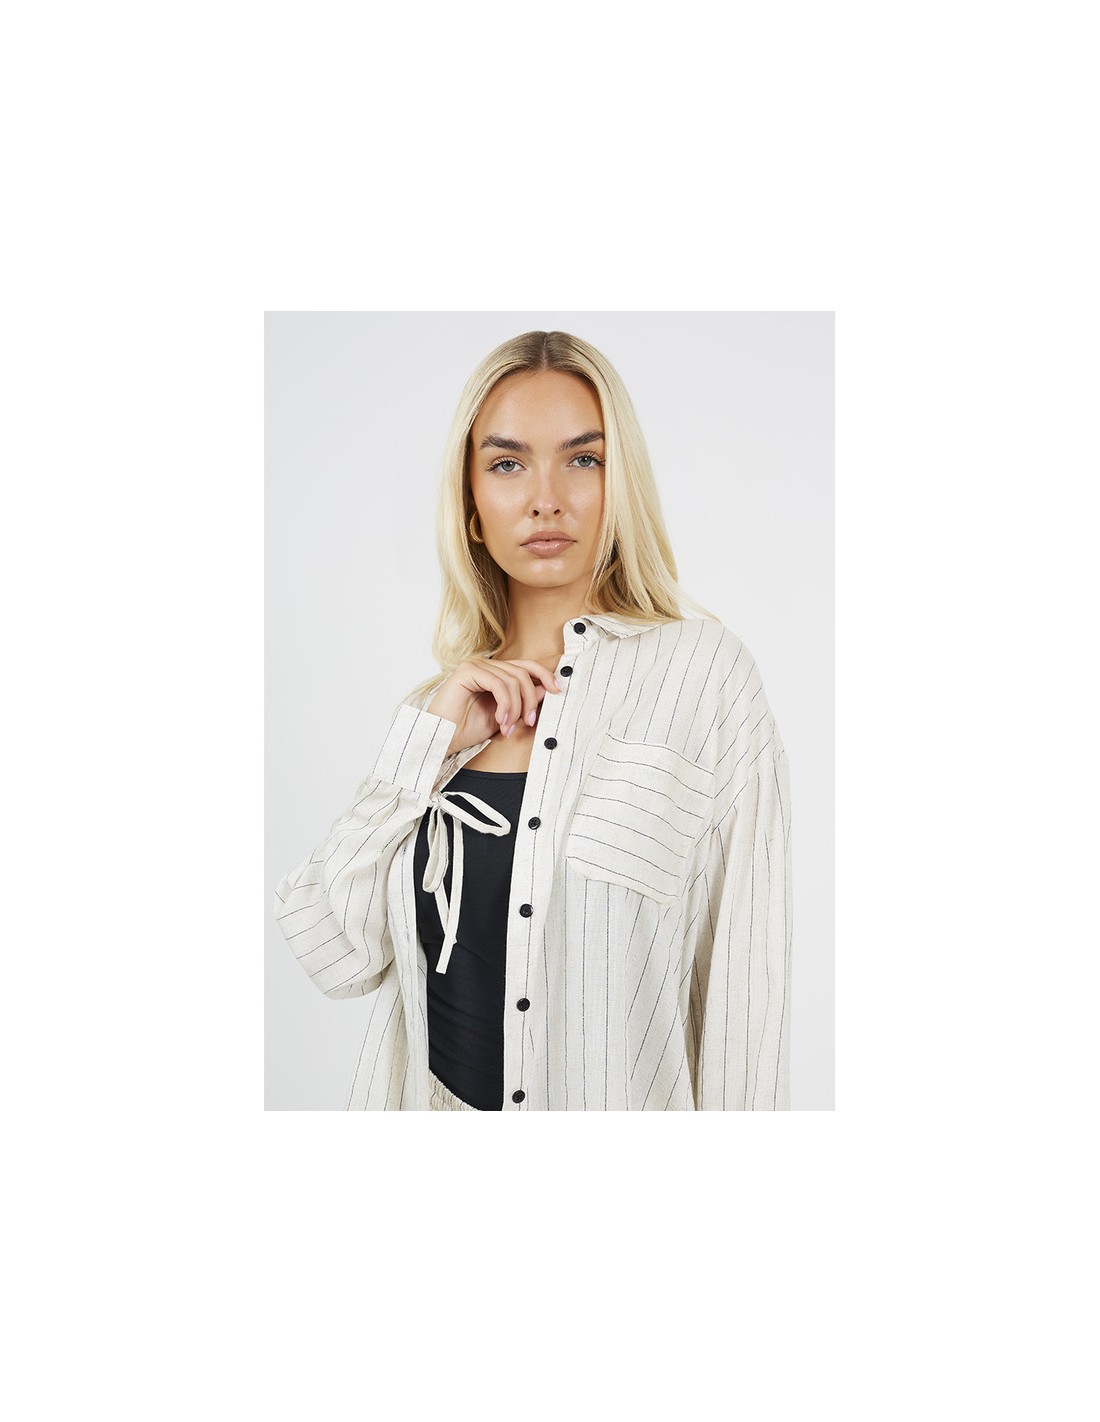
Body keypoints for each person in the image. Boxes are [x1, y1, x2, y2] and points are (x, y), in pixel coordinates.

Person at [273, 329, 793, 1111]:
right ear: (470, 506)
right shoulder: (435, 716)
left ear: (621, 485)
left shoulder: (706, 676)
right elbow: (332, 953)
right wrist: (425, 747)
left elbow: (746, 996)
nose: (546, 497)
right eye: (507, 464)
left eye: (583, 459)